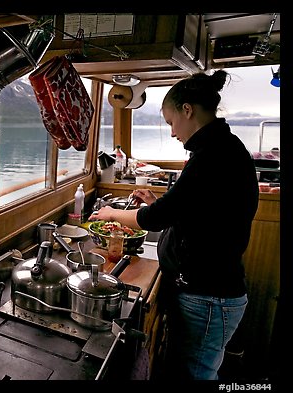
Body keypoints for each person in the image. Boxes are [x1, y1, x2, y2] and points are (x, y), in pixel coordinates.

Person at [89, 70, 259, 380]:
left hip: (209, 295)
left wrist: (112, 213)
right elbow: (199, 208)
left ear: (187, 110)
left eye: (170, 123)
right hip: (209, 291)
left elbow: (153, 218)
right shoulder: (221, 148)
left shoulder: (212, 155)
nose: (171, 133)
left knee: (195, 375)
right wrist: (159, 199)